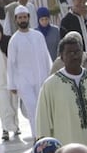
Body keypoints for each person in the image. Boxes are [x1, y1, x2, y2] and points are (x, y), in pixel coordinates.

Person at [7, 8, 54, 139]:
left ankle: (46, 135)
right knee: (32, 109)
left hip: (41, 78)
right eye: (20, 18)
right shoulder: (14, 40)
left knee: (42, 109)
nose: (22, 20)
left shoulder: (38, 36)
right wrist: (12, 85)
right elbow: (11, 64)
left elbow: (46, 56)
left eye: (24, 17)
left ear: (28, 17)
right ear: (16, 20)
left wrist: (51, 75)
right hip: (23, 82)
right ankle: (37, 137)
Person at [0, 21, 21, 140]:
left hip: (12, 80)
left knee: (13, 105)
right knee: (3, 106)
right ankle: (5, 129)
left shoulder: (9, 42)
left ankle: (16, 126)